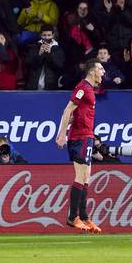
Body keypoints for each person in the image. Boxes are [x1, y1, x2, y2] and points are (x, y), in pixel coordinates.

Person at [55, 59, 105, 233]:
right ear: (92, 71)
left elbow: (76, 113)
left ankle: (84, 217)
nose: (103, 71)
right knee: (80, 175)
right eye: (100, 68)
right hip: (79, 137)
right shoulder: (83, 88)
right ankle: (72, 217)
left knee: (86, 177)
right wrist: (62, 134)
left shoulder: (90, 89)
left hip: (87, 136)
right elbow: (68, 109)